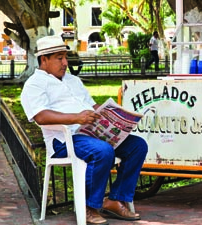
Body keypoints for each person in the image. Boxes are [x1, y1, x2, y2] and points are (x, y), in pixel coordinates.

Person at [20, 35, 148, 225]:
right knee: (103, 151)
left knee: (137, 145)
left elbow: (91, 105)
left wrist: (116, 116)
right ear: (44, 59)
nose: (65, 63)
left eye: (65, 57)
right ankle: (88, 207)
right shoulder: (34, 84)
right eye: (59, 58)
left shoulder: (73, 80)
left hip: (91, 133)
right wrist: (76, 117)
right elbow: (41, 116)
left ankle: (115, 200)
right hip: (64, 140)